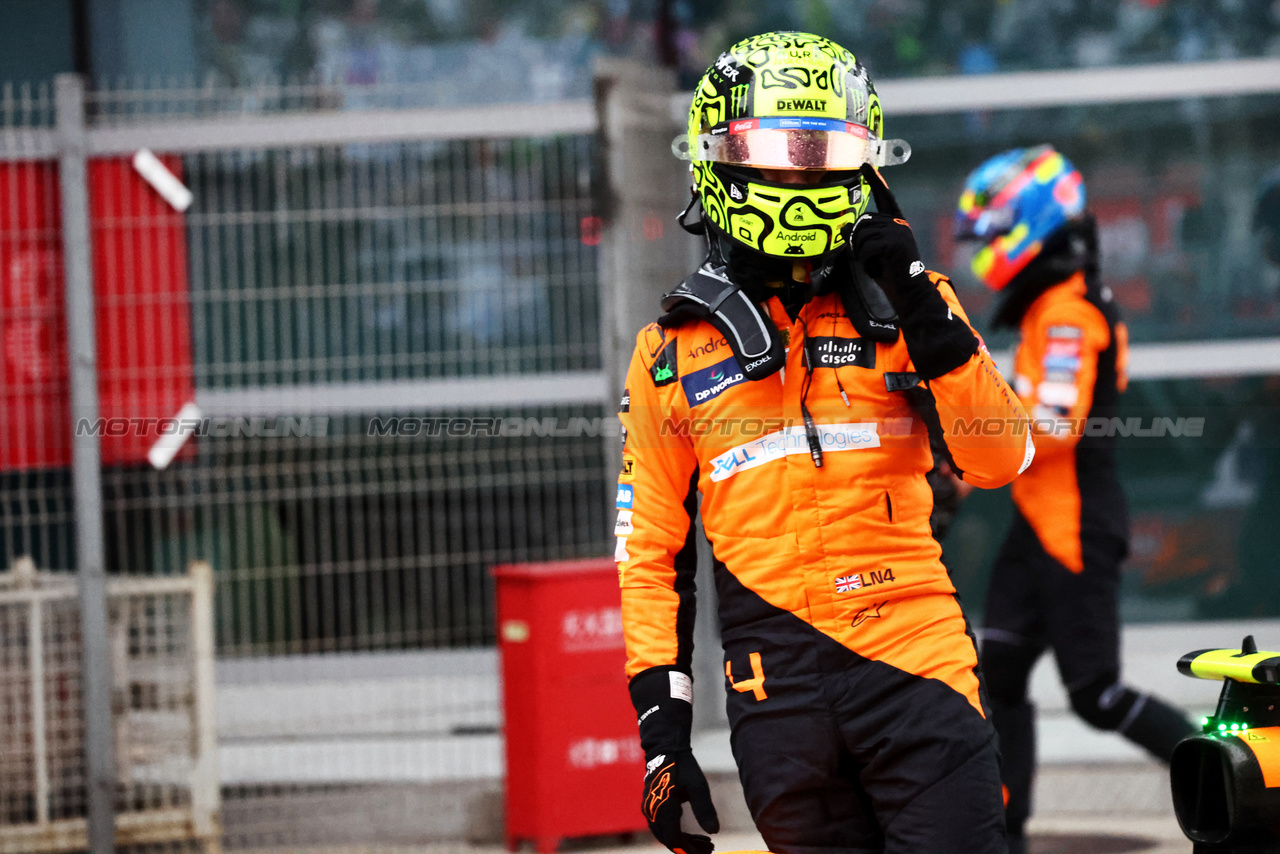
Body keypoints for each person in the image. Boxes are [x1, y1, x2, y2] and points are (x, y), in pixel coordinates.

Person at [615, 31, 1034, 854]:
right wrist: (663, 733)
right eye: (777, 153)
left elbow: (1000, 459)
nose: (800, 177)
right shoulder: (667, 353)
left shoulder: (913, 303)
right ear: (719, 158)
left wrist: (920, 299)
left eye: (824, 154)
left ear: (867, 165)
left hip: (918, 663)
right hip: (778, 696)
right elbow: (650, 551)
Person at [953, 146, 1197, 853]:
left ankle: (1245, 796)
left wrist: (966, 452)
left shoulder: (1068, 313)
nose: (981, 251)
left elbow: (1051, 426)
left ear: (1030, 226)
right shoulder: (1051, 306)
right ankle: (1005, 833)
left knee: (1097, 696)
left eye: (991, 234)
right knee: (994, 674)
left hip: (1075, 527)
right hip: (1037, 524)